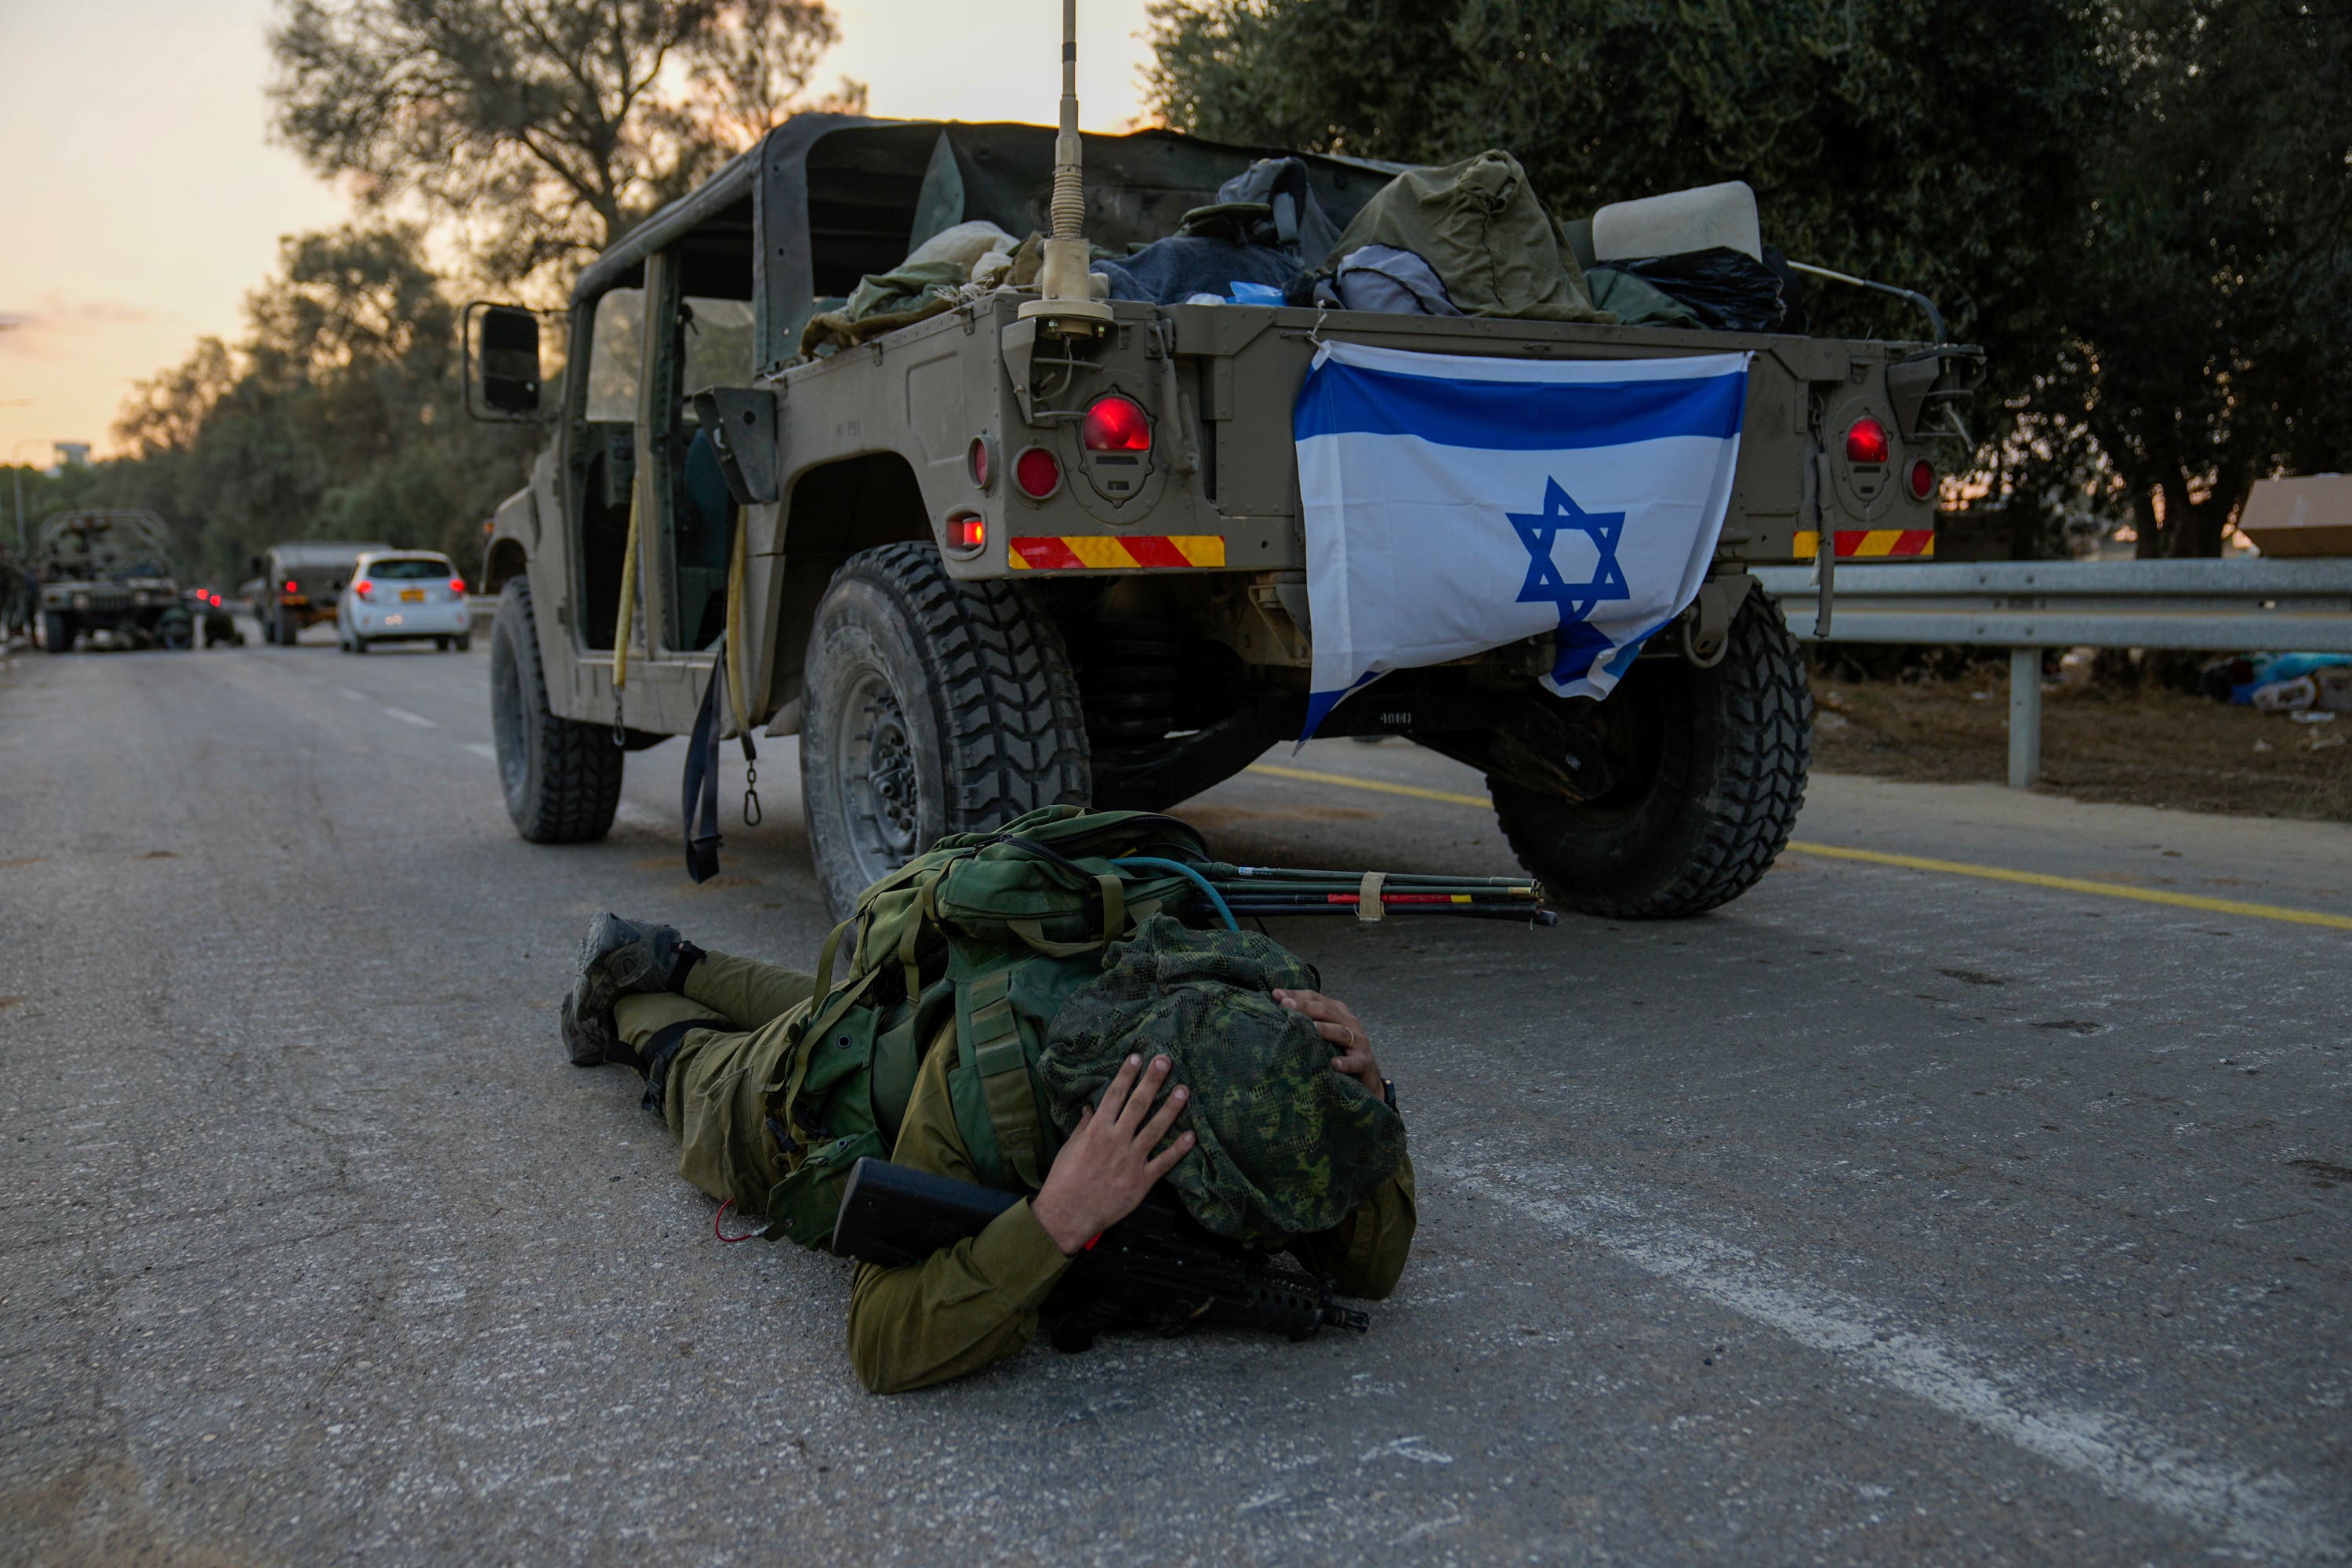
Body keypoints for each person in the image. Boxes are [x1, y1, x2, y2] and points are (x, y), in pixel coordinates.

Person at [563, 913, 1417, 1393]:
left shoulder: (1218, 1011)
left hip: (905, 1014)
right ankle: (628, 987)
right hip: (818, 1090)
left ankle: (682, 953)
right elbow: (880, 1341)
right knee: (702, 1073)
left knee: (833, 1004)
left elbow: (1367, 1265)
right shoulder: (992, 1094)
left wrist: (1367, 1103)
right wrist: (1057, 1218)